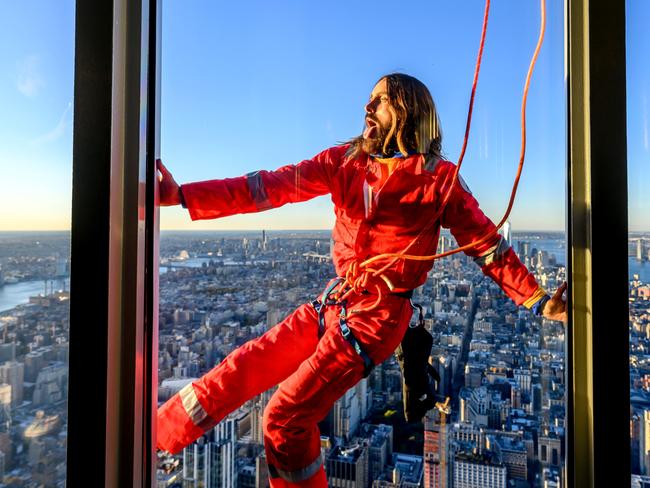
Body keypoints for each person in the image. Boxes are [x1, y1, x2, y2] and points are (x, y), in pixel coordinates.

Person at [156, 73, 567, 487]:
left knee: (284, 417)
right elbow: (268, 187)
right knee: (243, 366)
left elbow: (486, 246)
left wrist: (536, 298)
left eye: (381, 101)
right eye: (370, 100)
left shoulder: (439, 181)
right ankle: (156, 435)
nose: (368, 107)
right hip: (337, 299)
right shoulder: (346, 161)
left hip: (378, 317)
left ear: (410, 111)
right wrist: (183, 196)